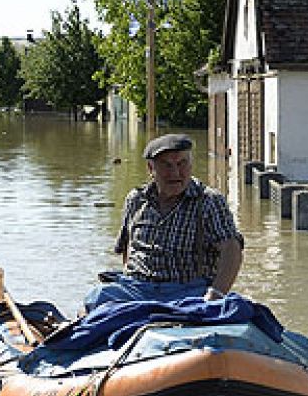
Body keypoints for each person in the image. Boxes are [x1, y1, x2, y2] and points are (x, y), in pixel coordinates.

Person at [84, 133, 245, 312]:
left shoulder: (209, 201)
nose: (175, 173)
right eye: (166, 165)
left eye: (181, 164)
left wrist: (216, 294)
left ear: (191, 165)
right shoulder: (136, 199)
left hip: (187, 290)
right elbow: (127, 248)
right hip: (138, 289)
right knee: (96, 298)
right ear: (150, 168)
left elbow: (231, 250)